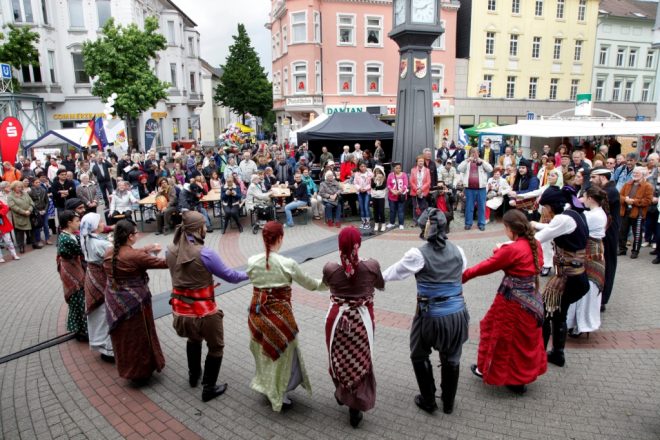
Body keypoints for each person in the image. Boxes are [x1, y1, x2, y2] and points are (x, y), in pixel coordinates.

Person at [382, 209, 469, 414]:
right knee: (452, 357)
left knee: (419, 354)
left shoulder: (417, 254)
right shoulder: (459, 251)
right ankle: (448, 403)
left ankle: (429, 400)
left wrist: (372, 277)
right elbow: (460, 273)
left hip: (429, 315)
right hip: (458, 313)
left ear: (425, 228)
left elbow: (391, 274)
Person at [166, 211, 249, 401]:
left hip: (180, 311)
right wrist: (252, 272)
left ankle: (193, 376)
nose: (206, 229)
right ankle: (208, 388)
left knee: (193, 340)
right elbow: (232, 276)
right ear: (198, 229)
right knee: (216, 347)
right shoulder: (205, 253)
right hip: (204, 313)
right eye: (204, 225)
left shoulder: (169, 249)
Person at [463, 210, 546, 394]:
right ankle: (517, 378)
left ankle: (507, 377)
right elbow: (533, 262)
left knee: (501, 335)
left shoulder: (512, 250)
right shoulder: (535, 244)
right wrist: (502, 249)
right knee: (524, 338)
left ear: (510, 229)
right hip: (532, 298)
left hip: (511, 302)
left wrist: (462, 276)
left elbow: (485, 266)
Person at [246, 221, 326, 411]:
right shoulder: (287, 264)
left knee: (264, 353)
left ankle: (266, 386)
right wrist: (330, 281)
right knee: (284, 358)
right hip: (280, 318)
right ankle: (279, 393)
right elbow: (311, 284)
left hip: (256, 315)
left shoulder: (251, 261)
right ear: (280, 238)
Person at [323, 227, 384, 428]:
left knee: (337, 357)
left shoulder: (330, 268)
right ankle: (354, 406)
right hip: (363, 320)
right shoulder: (372, 266)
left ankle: (342, 392)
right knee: (360, 359)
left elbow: (325, 285)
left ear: (339, 245)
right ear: (359, 243)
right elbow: (380, 285)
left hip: (337, 319)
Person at [103, 220, 168, 385]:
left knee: (124, 338)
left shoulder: (109, 252)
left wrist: (147, 249)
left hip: (114, 300)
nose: (138, 235)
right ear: (130, 236)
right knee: (139, 336)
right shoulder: (134, 256)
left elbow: (130, 254)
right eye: (136, 232)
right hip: (135, 303)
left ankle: (128, 369)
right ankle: (141, 371)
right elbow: (164, 263)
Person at [532, 186, 590, 367]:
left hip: (569, 278)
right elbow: (553, 228)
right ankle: (557, 354)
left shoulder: (563, 218)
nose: (545, 211)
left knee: (546, 312)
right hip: (577, 276)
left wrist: (505, 246)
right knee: (558, 315)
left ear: (552, 205)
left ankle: (539, 354)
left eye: (545, 207)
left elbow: (538, 238)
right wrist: (535, 225)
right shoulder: (574, 213)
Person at [566, 186, 608, 337]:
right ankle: (575, 323)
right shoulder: (596, 213)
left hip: (590, 254)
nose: (581, 200)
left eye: (583, 197)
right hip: (592, 251)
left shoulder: (594, 215)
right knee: (584, 288)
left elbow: (573, 225)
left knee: (585, 289)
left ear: (590, 198)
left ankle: (579, 324)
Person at [80, 213, 114, 363]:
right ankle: (109, 350)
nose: (102, 223)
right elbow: (114, 256)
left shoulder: (86, 238)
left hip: (92, 278)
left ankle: (101, 345)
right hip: (102, 280)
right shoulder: (100, 244)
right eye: (100, 222)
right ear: (94, 226)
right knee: (106, 314)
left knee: (99, 315)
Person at [588, 167, 620, 312]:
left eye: (593, 177)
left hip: (609, 235)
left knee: (607, 266)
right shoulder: (607, 189)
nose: (591, 180)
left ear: (602, 177)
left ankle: (602, 299)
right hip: (604, 233)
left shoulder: (610, 191)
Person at [56, 210, 88, 341]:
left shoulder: (70, 235)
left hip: (74, 267)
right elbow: (83, 250)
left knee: (79, 301)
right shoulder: (65, 238)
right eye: (77, 221)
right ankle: (81, 331)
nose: (79, 223)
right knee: (77, 300)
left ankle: (80, 329)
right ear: (69, 223)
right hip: (70, 271)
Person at [618, 167, 654, 259]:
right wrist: (625, 200)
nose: (635, 174)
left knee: (637, 234)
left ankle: (635, 251)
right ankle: (622, 249)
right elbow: (620, 196)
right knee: (622, 232)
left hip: (638, 213)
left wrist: (633, 201)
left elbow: (648, 201)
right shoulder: (627, 184)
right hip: (625, 211)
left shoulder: (647, 186)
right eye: (634, 172)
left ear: (643, 175)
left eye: (637, 173)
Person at [458, 147, 493, 231]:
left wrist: (482, 162)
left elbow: (490, 169)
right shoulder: (467, 162)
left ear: (479, 153)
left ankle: (481, 223)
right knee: (469, 207)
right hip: (469, 188)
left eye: (476, 152)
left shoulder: (482, 161)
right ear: (470, 153)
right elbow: (459, 168)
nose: (474, 154)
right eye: (472, 152)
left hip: (481, 188)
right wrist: (467, 160)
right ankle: (468, 223)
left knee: (482, 206)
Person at [7, 181, 38, 253]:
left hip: (29, 215)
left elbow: (31, 203)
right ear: (14, 188)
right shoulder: (10, 196)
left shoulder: (25, 193)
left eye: (21, 187)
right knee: (19, 232)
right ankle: (21, 246)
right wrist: (24, 212)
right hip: (19, 216)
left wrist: (29, 210)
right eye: (18, 187)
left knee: (32, 230)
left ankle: (34, 243)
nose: (20, 188)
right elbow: (13, 206)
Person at [410, 156, 432, 226]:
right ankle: (415, 221)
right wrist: (416, 189)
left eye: (422, 161)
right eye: (419, 161)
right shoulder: (413, 170)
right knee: (415, 206)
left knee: (423, 207)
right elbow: (411, 181)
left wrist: (421, 189)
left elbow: (428, 182)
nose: (421, 162)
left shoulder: (427, 170)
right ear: (417, 162)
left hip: (424, 191)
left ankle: (422, 221)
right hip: (415, 191)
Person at [386, 162, 408, 230]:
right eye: (396, 168)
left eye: (399, 168)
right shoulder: (390, 175)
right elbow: (388, 185)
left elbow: (405, 185)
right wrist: (392, 191)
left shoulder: (404, 175)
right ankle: (392, 223)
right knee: (392, 210)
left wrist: (399, 191)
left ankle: (401, 224)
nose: (398, 169)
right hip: (392, 196)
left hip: (401, 196)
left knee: (401, 210)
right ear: (394, 168)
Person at [353, 161, 374, 229]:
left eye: (364, 166)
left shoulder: (370, 174)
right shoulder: (357, 174)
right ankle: (363, 222)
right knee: (361, 207)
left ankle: (368, 222)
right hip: (360, 192)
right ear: (359, 167)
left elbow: (371, 183)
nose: (363, 168)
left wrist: (365, 188)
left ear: (366, 166)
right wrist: (359, 188)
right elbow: (355, 183)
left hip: (367, 192)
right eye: (361, 166)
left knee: (366, 207)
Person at [371, 166, 387, 232]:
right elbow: (372, 186)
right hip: (374, 196)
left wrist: (376, 188)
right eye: (376, 171)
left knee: (381, 211)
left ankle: (383, 224)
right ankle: (376, 223)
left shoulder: (384, 178)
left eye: (378, 171)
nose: (377, 173)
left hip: (381, 197)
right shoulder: (373, 178)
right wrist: (375, 181)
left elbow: (383, 187)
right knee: (375, 211)